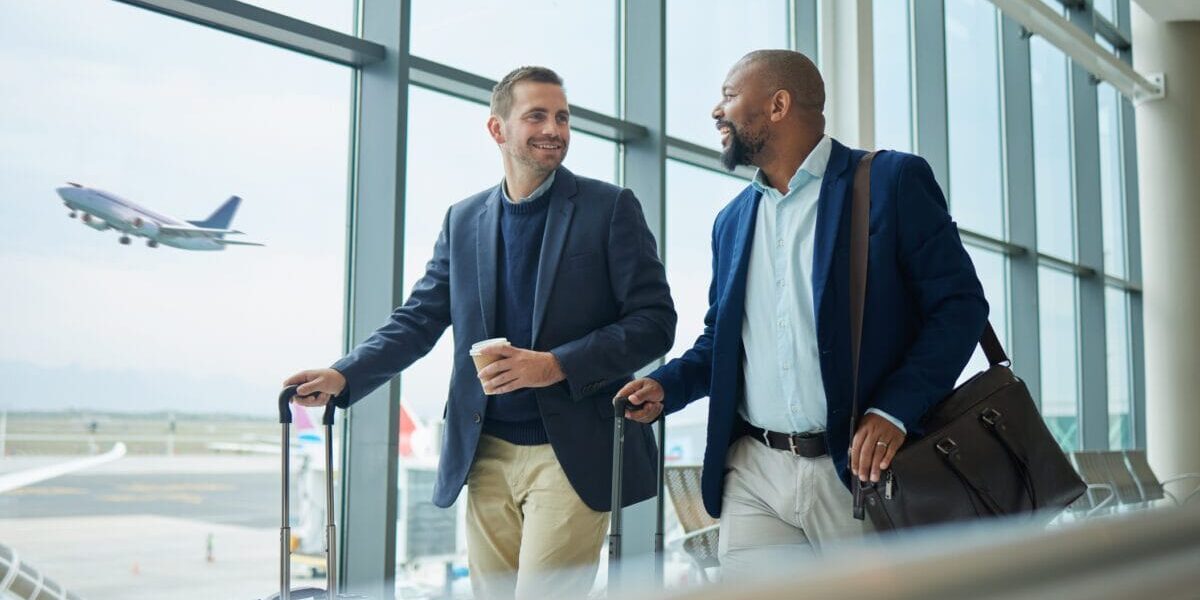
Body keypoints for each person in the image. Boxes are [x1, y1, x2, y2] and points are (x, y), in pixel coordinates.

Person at [285, 66, 676, 599]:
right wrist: (342, 374)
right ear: (498, 130)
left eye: (562, 117)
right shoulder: (463, 219)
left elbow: (655, 323)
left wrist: (555, 364)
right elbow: (418, 319)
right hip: (484, 450)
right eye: (536, 115)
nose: (554, 129)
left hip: (572, 452)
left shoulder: (609, 208)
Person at [616, 50, 988, 579]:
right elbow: (721, 341)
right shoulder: (733, 221)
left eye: (727, 96)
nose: (715, 111)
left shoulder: (891, 182)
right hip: (755, 473)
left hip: (859, 473)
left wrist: (894, 410)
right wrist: (666, 388)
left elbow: (959, 306)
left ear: (778, 104)